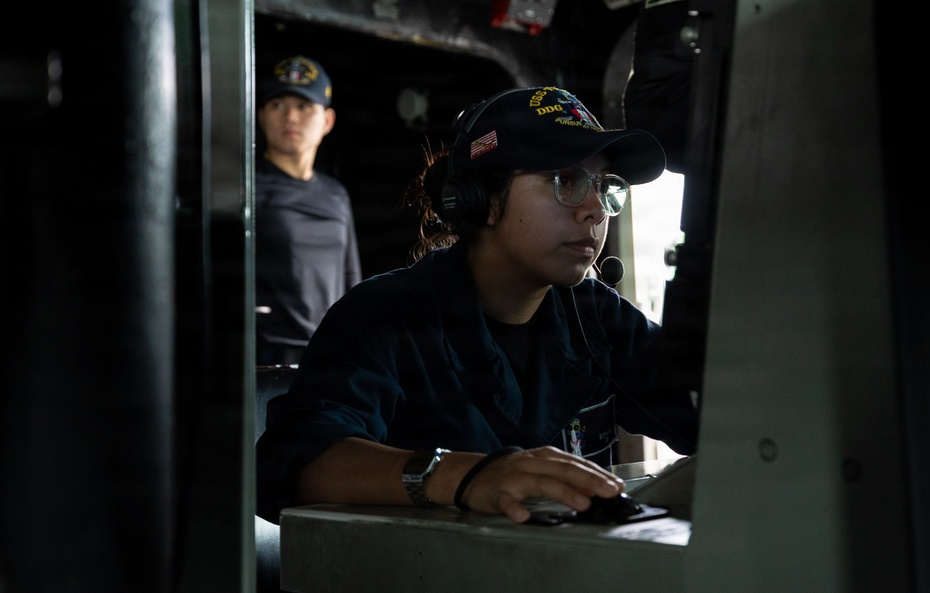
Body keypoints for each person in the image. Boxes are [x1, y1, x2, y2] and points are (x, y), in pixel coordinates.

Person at [256, 86, 699, 526]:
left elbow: (711, 414)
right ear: (482, 200)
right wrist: (464, 477)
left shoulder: (595, 315)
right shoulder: (384, 315)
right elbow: (297, 463)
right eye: (566, 180)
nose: (595, 210)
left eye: (605, 187)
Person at [254, 55, 362, 366]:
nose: (291, 117)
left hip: (329, 359)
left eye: (304, 107)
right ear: (262, 116)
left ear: (327, 121)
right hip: (267, 361)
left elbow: (351, 281)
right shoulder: (245, 188)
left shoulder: (335, 195)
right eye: (278, 105)